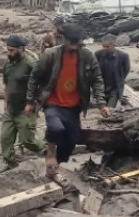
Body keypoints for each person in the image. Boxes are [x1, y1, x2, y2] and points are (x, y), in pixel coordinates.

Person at [26, 23, 107, 181]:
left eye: (76, 43)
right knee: (56, 128)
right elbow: (34, 78)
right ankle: (50, 151)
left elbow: (97, 80)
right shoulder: (51, 54)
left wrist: (101, 103)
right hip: (52, 102)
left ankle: (57, 164)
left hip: (73, 106)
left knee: (72, 140)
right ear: (64, 39)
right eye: (71, 43)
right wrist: (30, 101)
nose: (74, 46)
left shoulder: (87, 56)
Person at [1, 36, 47, 169]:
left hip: (26, 108)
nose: (9, 53)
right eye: (8, 50)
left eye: (12, 50)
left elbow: (40, 86)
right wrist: (5, 102)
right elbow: (7, 85)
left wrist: (31, 103)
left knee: (27, 140)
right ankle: (11, 164)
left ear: (21, 49)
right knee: (5, 138)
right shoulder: (8, 64)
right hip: (11, 108)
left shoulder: (31, 64)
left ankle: (47, 151)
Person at [96, 34, 130, 109]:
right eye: (103, 46)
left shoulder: (123, 56)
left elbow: (126, 69)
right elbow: (95, 69)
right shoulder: (98, 54)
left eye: (107, 46)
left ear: (114, 45)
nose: (105, 48)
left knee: (110, 108)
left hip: (115, 87)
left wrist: (120, 79)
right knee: (102, 108)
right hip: (102, 86)